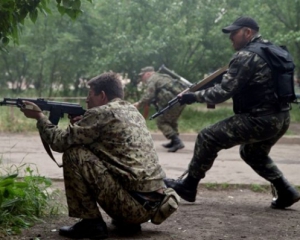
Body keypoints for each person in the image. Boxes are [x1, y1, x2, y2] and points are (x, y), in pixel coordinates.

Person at [20, 72, 179, 239]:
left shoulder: (101, 113)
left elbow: (59, 143)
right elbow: (110, 148)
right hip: (154, 204)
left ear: (102, 95)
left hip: (131, 208)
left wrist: (40, 117)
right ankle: (128, 223)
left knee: (74, 154)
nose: (87, 100)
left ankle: (91, 224)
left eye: (90, 95)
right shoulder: (132, 111)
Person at [164, 16, 300, 209]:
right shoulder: (271, 50)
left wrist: (193, 97)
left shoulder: (246, 56)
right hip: (282, 117)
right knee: (252, 153)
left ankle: (188, 186)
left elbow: (222, 92)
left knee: (207, 136)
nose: (230, 38)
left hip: (260, 119)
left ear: (247, 32)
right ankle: (286, 191)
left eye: (234, 33)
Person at [134, 66, 187, 152]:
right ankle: (174, 141)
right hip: (181, 100)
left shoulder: (152, 79)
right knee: (171, 121)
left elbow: (149, 95)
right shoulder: (162, 76)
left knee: (161, 122)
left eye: (142, 76)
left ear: (148, 74)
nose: (141, 78)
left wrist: (139, 104)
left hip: (173, 101)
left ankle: (177, 141)